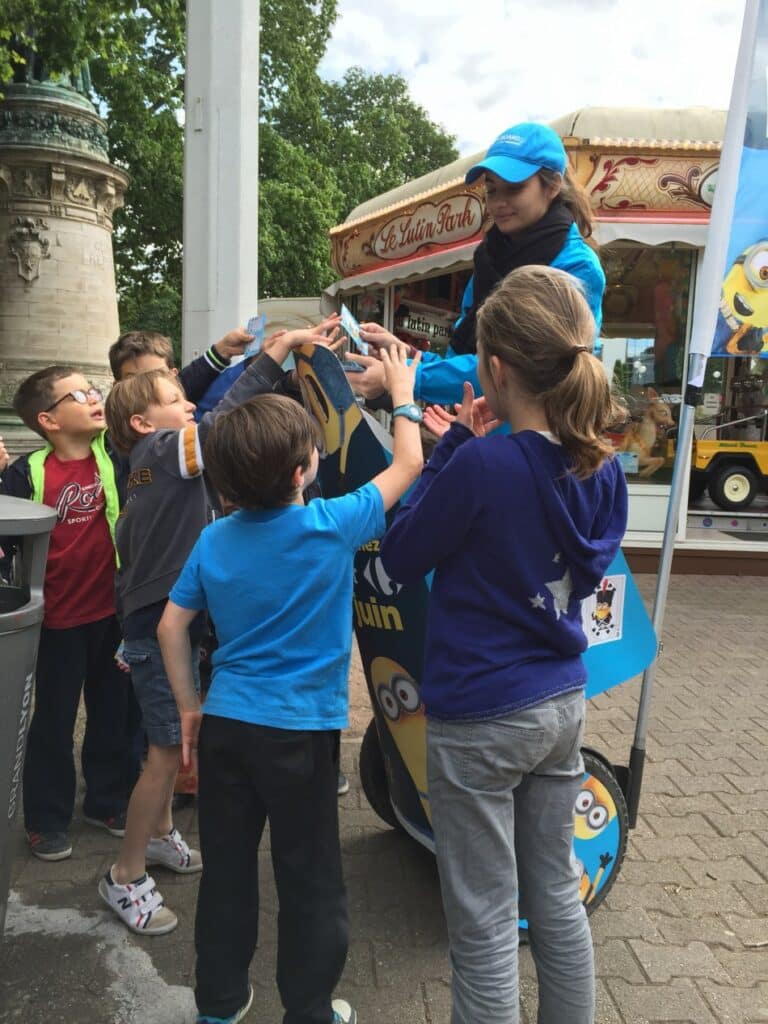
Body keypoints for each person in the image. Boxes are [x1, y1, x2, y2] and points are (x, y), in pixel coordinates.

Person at [379, 266, 628, 1024]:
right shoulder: (603, 466)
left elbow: (398, 557)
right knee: (556, 894)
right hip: (561, 704)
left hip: (479, 717)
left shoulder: (481, 464)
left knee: (485, 919)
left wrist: (453, 447)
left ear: (495, 368)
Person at [156, 347, 423, 1024]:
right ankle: (308, 1009)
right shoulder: (331, 525)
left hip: (226, 727)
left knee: (227, 871)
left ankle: (220, 1003)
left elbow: (171, 626)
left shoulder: (214, 540)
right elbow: (408, 465)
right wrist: (403, 394)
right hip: (301, 736)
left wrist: (189, 707)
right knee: (309, 878)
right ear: (304, 470)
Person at [99, 326, 332, 937]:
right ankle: (124, 874)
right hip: (155, 631)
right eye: (175, 399)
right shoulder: (160, 452)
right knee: (164, 753)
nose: (190, 405)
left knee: (169, 744)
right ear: (143, 424)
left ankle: (159, 834)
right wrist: (274, 354)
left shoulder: (150, 466)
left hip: (153, 625)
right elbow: (227, 422)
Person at [347, 121, 605, 408]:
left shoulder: (577, 267)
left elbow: (514, 371)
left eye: (514, 188)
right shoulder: (489, 256)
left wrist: (403, 376)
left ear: (553, 185)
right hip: (478, 424)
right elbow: (469, 361)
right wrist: (404, 354)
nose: (499, 203)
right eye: (492, 190)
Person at [0, 368, 142, 861]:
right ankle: (46, 819)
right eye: (79, 394)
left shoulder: (118, 457)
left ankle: (107, 801)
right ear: (48, 420)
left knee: (113, 713)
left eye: (92, 389)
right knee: (53, 722)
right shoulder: (25, 473)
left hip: (112, 615)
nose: (93, 397)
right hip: (56, 622)